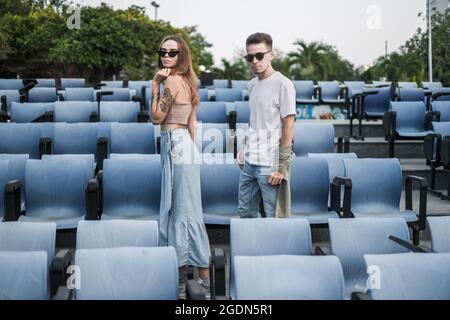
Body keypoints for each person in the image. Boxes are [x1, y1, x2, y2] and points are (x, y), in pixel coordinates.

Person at [151, 35, 210, 299]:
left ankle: (190, 288)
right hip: (185, 145)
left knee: (183, 215)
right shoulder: (189, 80)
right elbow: (193, 123)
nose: (166, 56)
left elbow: (156, 118)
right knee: (187, 213)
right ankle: (198, 286)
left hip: (175, 144)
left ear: (181, 55)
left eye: (172, 53)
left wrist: (155, 84)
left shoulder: (172, 81)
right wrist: (192, 152)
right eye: (163, 51)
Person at [237, 33, 296, 219]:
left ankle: (274, 249)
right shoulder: (252, 84)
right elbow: (254, 121)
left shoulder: (283, 84)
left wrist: (281, 167)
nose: (254, 61)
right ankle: (251, 249)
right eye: (250, 57)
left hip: (270, 163)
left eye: (259, 55)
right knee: (245, 212)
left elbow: (288, 125)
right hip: (249, 161)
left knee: (274, 217)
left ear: (272, 54)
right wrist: (243, 147)